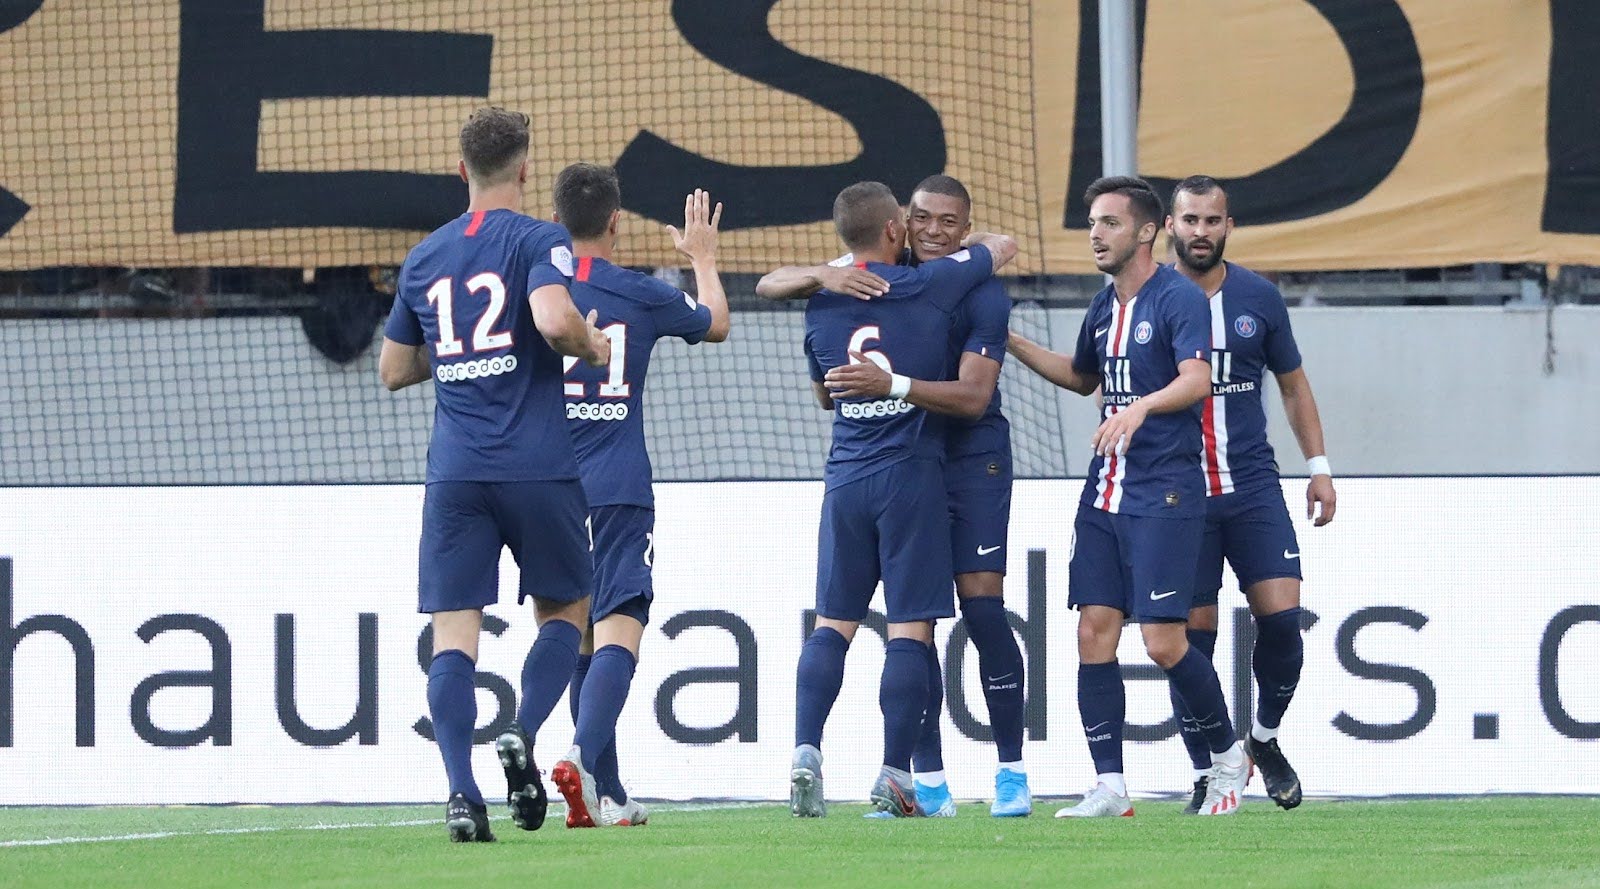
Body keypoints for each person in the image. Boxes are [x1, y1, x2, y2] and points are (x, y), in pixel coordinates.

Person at [762, 175, 1033, 817]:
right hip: (912, 466)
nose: (933, 230)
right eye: (922, 218)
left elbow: (973, 396)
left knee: (977, 612)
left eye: (949, 221)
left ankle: (1010, 772)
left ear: (963, 226)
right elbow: (776, 280)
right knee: (914, 625)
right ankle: (919, 779)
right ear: (899, 223)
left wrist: (888, 380)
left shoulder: (964, 288)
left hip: (960, 459)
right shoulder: (896, 282)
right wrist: (823, 274)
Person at [378, 108, 611, 842]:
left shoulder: (425, 256)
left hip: (456, 473)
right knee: (567, 613)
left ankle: (460, 792)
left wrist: (459, 356)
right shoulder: (540, 239)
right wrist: (592, 345)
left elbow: (392, 368)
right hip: (537, 467)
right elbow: (555, 321)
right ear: (524, 170)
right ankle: (524, 730)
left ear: (461, 171)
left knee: (454, 634)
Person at [1006, 175, 1250, 817]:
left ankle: (1229, 755)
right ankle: (1111, 786)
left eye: (1109, 223)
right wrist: (1010, 340)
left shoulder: (1177, 298)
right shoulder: (1102, 305)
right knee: (1093, 633)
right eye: (1092, 222)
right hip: (1104, 492)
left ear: (1146, 231)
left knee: (1164, 643)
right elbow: (1081, 376)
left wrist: (1138, 408)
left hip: (1164, 491)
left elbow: (1196, 381)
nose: (1095, 234)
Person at [545, 166, 731, 828]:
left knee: (579, 637)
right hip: (619, 485)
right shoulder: (642, 293)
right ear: (616, 221)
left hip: (549, 490)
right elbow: (716, 323)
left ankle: (608, 793)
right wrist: (701, 258)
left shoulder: (539, 291)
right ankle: (579, 755)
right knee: (620, 629)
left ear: (555, 220)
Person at [1164, 175, 1336, 813]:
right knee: (1190, 642)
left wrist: (1318, 467)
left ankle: (1263, 738)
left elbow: (1293, 384)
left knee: (1283, 621)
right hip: (1179, 496)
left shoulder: (1258, 297)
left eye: (1212, 220)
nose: (1201, 231)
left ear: (1228, 226)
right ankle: (1209, 771)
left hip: (1253, 486)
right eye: (1190, 219)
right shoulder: (1148, 298)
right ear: (1170, 226)